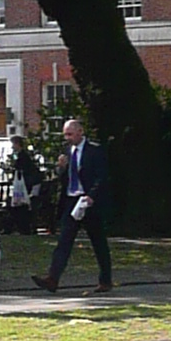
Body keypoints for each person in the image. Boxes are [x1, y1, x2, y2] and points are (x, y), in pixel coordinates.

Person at [31, 115, 111, 293]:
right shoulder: (67, 151)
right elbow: (64, 177)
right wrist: (60, 168)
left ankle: (106, 280)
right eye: (65, 135)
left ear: (80, 132)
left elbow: (101, 176)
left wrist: (92, 196)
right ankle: (53, 278)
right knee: (64, 241)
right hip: (71, 200)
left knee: (98, 242)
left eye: (70, 134)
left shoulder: (95, 150)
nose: (67, 138)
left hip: (88, 201)